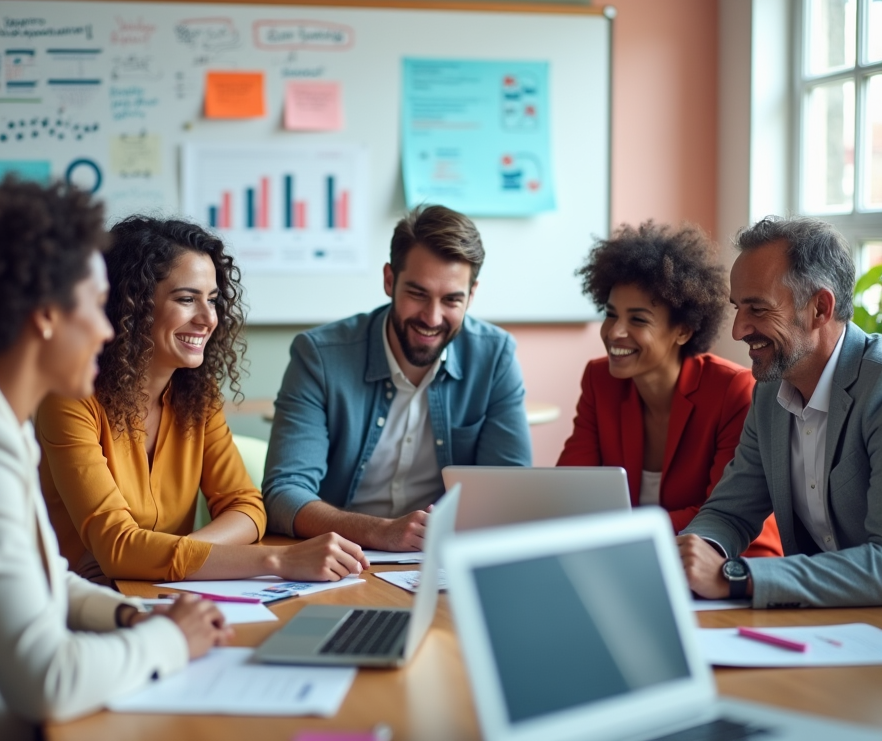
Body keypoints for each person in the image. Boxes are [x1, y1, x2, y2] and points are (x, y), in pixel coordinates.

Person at [0, 182, 230, 741]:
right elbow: (46, 680)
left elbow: (43, 573)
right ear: (46, 316)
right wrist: (173, 640)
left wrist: (132, 616)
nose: (109, 330)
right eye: (97, 307)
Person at [37, 216, 366, 583]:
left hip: (164, 593)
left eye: (212, 300)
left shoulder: (197, 400)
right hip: (81, 606)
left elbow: (248, 508)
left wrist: (169, 555)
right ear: (130, 305)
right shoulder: (69, 400)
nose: (209, 318)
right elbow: (118, 550)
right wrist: (277, 560)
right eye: (186, 299)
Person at [263, 205, 533, 550]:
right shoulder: (319, 356)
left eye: (452, 300)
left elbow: (509, 491)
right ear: (389, 280)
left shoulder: (495, 357)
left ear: (472, 294)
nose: (432, 318)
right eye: (417, 294)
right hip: (342, 555)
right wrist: (378, 531)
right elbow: (284, 493)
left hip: (443, 557)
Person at [678, 216, 882, 608]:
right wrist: (694, 553)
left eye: (757, 308)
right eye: (738, 308)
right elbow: (729, 512)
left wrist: (737, 576)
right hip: (824, 626)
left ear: (820, 308)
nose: (738, 330)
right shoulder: (771, 394)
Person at [558, 222, 782, 557]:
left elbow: (723, 516)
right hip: (628, 559)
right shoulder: (599, 379)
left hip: (726, 564)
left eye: (638, 320)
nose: (615, 332)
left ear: (683, 330)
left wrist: (613, 530)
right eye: (610, 314)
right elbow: (569, 491)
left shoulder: (731, 390)